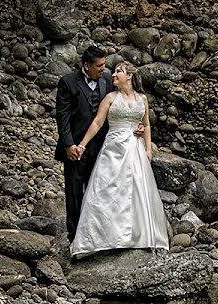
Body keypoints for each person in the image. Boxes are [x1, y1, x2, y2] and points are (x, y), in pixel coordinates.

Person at [69, 61, 170, 259]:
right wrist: (82, 144)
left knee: (136, 191)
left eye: (118, 72)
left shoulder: (142, 98)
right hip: (113, 149)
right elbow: (98, 122)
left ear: (129, 75)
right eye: (114, 71)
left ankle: (136, 237)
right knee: (109, 190)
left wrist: (148, 149)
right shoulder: (110, 98)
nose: (113, 75)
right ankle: (103, 238)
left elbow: (146, 124)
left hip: (135, 149)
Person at [55, 45, 115, 242]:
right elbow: (62, 117)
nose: (102, 69)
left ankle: (95, 234)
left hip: (100, 147)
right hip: (75, 147)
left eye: (104, 65)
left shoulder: (107, 80)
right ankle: (75, 238)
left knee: (97, 190)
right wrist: (68, 145)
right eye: (98, 66)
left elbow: (121, 105)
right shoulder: (68, 82)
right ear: (86, 65)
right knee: (74, 192)